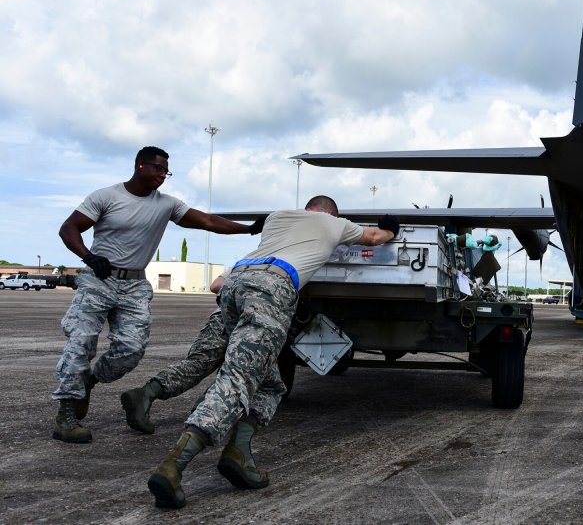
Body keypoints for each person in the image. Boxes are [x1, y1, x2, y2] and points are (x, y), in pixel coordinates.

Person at [147, 195, 398, 510]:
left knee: (269, 385)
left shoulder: (278, 216)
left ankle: (238, 455)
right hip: (270, 290)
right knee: (237, 378)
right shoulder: (334, 223)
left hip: (235, 285)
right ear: (332, 213)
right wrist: (390, 229)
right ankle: (173, 466)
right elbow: (374, 237)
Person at [51, 147, 263, 444]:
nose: (162, 175)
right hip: (99, 280)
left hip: (135, 285)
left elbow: (207, 221)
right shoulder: (106, 196)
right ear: (140, 166)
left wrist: (249, 230)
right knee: (81, 341)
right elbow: (69, 228)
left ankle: (88, 381)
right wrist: (88, 256)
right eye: (158, 169)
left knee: (131, 349)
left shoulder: (166, 205)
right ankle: (66, 413)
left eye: (166, 171)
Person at [120, 271, 231, 434]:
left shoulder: (252, 258)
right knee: (241, 372)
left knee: (197, 363)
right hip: (258, 321)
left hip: (222, 316)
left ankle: (147, 393)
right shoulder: (282, 260)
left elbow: (215, 285)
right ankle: (206, 412)